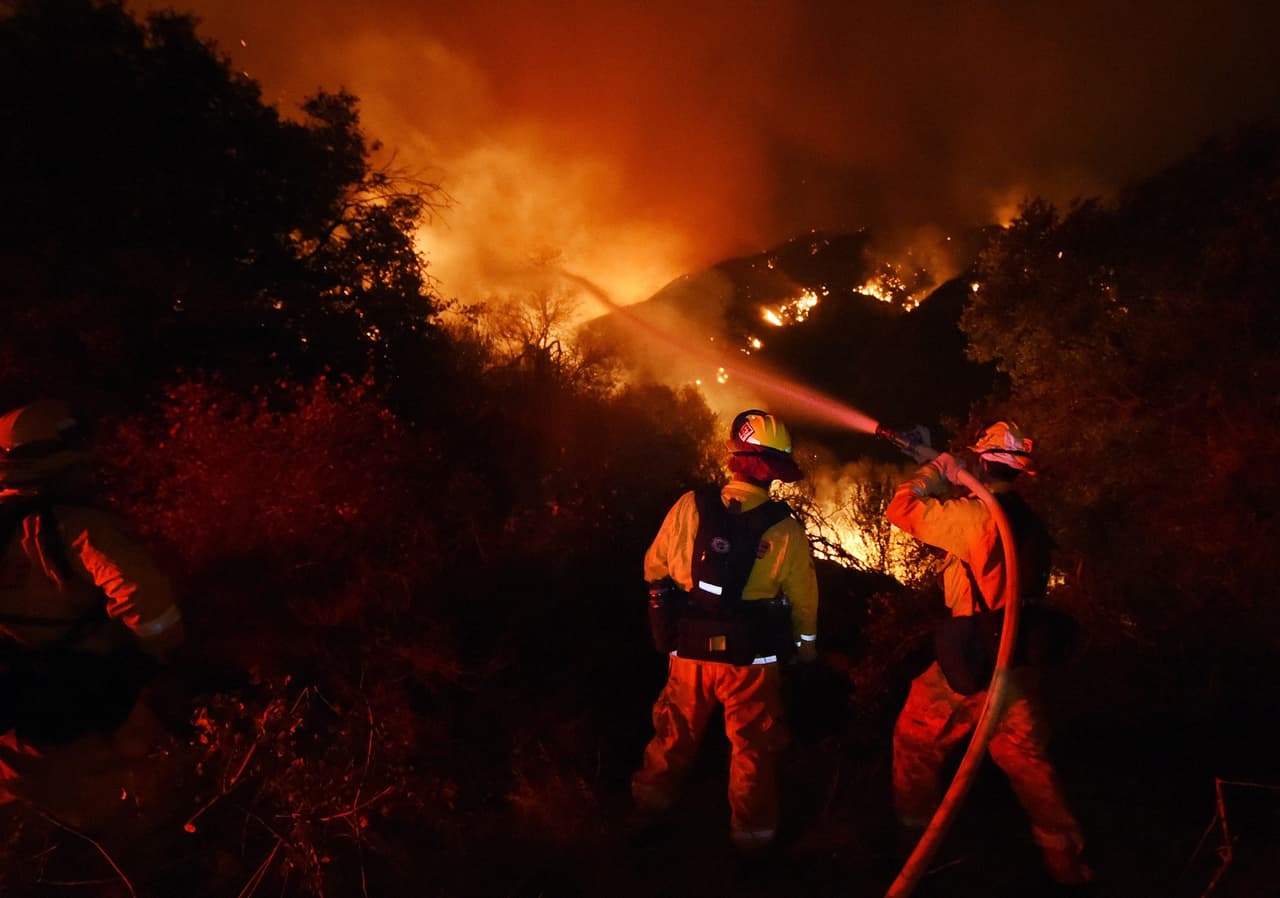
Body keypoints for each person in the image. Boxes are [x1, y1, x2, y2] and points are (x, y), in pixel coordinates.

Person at [884, 420, 1092, 886]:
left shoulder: (978, 517)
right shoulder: (1025, 519)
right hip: (1016, 661)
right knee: (1030, 765)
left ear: (980, 461)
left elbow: (901, 509)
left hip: (975, 662)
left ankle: (911, 848)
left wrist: (937, 467)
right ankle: (1071, 868)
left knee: (915, 738)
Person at [630, 409, 819, 855]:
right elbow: (805, 603)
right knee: (752, 748)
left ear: (736, 457)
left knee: (673, 734)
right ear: (771, 470)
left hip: (690, 652)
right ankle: (751, 845)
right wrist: (806, 651)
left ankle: (646, 815)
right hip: (752, 660)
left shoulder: (690, 505)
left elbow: (653, 566)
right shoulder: (785, 528)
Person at [0, 398, 184, 832]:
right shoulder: (78, 527)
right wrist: (156, 654)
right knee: (140, 788)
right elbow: (144, 597)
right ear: (60, 462)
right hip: (79, 694)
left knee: (24, 807)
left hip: (12, 698)